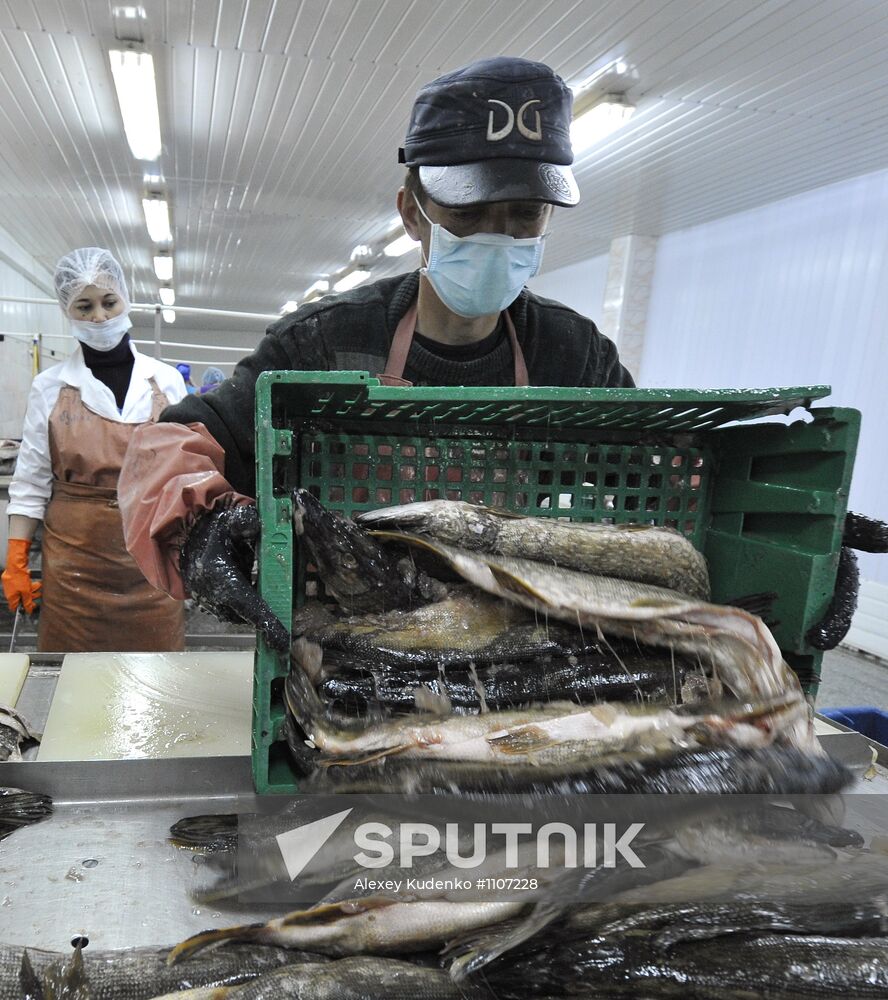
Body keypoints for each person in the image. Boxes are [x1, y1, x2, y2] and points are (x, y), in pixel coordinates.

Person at [117, 56, 634, 652]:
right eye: (467, 214)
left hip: (513, 651)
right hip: (347, 650)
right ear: (413, 213)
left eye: (525, 216)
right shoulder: (322, 345)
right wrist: (200, 524)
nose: (499, 239)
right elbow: (169, 449)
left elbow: (660, 478)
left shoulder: (574, 357)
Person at [1, 247, 188, 651]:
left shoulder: (167, 382)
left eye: (108, 302)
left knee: (157, 679)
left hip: (153, 561)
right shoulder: (49, 387)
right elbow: (30, 482)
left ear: (125, 299)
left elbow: (186, 473)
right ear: (67, 312)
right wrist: (16, 558)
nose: (99, 317)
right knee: (72, 679)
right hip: (75, 568)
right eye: (83, 307)